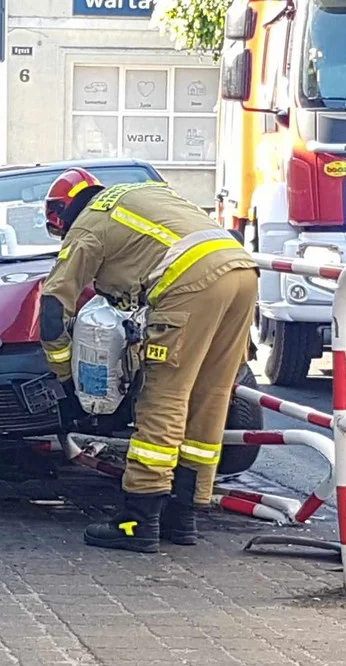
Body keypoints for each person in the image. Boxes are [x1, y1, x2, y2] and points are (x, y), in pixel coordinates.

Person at [39, 169, 259, 554]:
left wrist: (64, 376)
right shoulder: (139, 194)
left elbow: (55, 307)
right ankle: (184, 515)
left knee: (164, 397)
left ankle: (138, 520)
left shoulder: (88, 225)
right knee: (211, 396)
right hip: (242, 271)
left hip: (190, 283)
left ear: (62, 215)